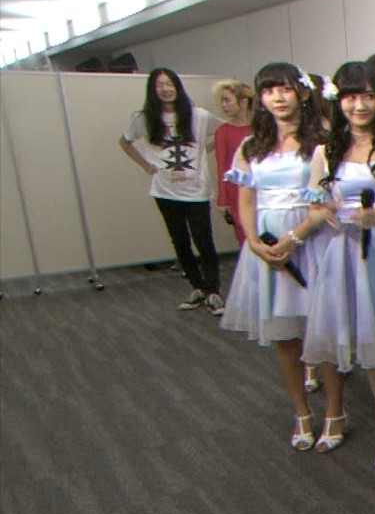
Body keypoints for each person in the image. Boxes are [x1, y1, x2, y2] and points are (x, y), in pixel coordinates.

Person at [301, 62, 375, 464]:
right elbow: (315, 202)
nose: (360, 105)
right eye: (351, 97)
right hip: (346, 252)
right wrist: (323, 210)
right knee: (370, 346)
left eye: (368, 96)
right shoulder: (325, 152)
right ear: (338, 101)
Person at [219, 62, 333, 450]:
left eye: (284, 89)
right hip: (267, 245)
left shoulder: (321, 141)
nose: (278, 98)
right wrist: (254, 242)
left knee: (323, 331)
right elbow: (245, 201)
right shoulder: (252, 146)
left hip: (311, 240)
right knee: (284, 336)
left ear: (301, 92)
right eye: (269, 91)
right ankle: (301, 413)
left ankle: (335, 412)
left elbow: (325, 201)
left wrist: (293, 239)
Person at [119, 68, 226, 314]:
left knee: (204, 241)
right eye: (160, 85)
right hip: (164, 191)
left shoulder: (198, 116)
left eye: (170, 84)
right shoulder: (143, 119)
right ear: (152, 89)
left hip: (196, 191)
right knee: (180, 242)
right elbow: (124, 141)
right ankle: (197, 287)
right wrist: (145, 165)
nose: (166, 89)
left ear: (177, 87)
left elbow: (225, 131)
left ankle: (213, 291)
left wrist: (203, 152)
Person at [213, 78, 256, 247]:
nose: (224, 105)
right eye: (222, 101)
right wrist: (223, 199)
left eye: (227, 100)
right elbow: (222, 166)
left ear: (243, 101)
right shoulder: (223, 131)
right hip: (236, 190)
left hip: (261, 187)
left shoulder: (260, 129)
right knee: (245, 237)